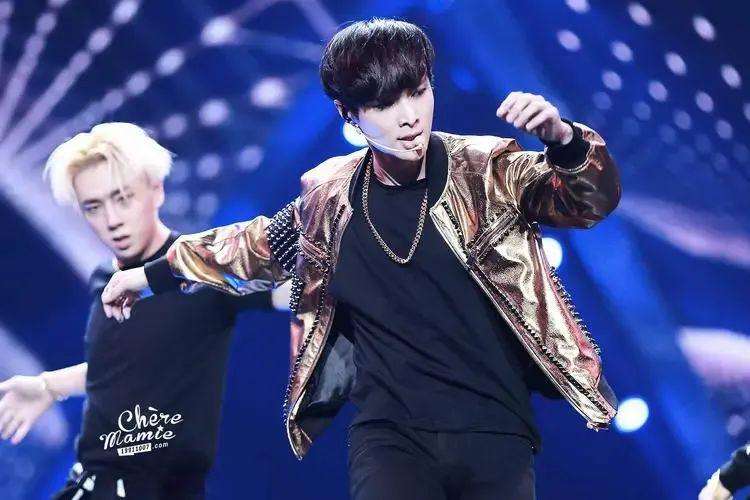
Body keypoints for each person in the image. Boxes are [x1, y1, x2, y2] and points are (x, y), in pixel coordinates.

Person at [102, 19, 621, 500]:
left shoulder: (487, 169)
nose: (409, 116)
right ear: (347, 113)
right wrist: (151, 275)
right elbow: (251, 247)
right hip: (389, 435)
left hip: (494, 427)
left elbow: (589, 202)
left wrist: (564, 140)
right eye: (383, 104)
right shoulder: (328, 197)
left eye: (418, 91)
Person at [0, 122, 279, 499]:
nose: (112, 219)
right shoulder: (105, 280)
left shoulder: (205, 266)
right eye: (93, 207)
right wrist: (48, 387)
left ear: (156, 189)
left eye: (123, 198)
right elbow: (122, 368)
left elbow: (292, 286)